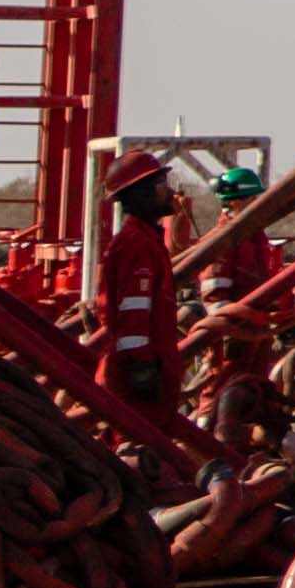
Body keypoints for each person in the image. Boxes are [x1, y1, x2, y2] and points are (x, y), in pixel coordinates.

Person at [91, 148, 178, 439]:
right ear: (142, 193)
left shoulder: (145, 240)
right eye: (161, 184)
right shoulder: (136, 244)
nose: (170, 191)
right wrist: (142, 366)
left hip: (146, 369)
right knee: (133, 449)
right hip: (135, 377)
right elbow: (133, 311)